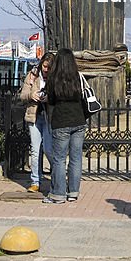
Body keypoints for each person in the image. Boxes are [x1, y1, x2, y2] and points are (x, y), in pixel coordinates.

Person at [42, 47, 87, 204]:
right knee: (76, 158)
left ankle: (58, 194)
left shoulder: (54, 79)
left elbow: (51, 100)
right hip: (79, 121)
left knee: (60, 159)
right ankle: (73, 192)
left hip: (61, 121)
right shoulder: (78, 77)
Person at [20, 52, 54, 193]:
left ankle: (57, 174)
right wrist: (31, 95)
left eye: (49, 67)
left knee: (48, 148)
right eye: (45, 66)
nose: (46, 70)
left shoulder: (55, 78)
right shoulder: (32, 75)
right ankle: (35, 181)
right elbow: (22, 95)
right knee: (35, 150)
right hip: (34, 116)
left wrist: (49, 98)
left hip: (48, 117)